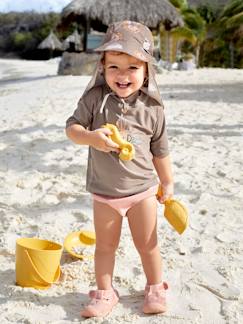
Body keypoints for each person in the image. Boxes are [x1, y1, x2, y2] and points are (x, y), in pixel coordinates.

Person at [65, 21, 174, 318]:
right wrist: (90, 138)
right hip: (105, 193)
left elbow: (160, 150)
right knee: (105, 246)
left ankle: (154, 287)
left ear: (146, 70)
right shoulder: (95, 99)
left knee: (148, 243)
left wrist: (168, 182)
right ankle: (105, 292)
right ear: (102, 67)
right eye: (114, 67)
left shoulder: (153, 109)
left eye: (132, 68)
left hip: (143, 191)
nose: (122, 76)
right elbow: (71, 129)